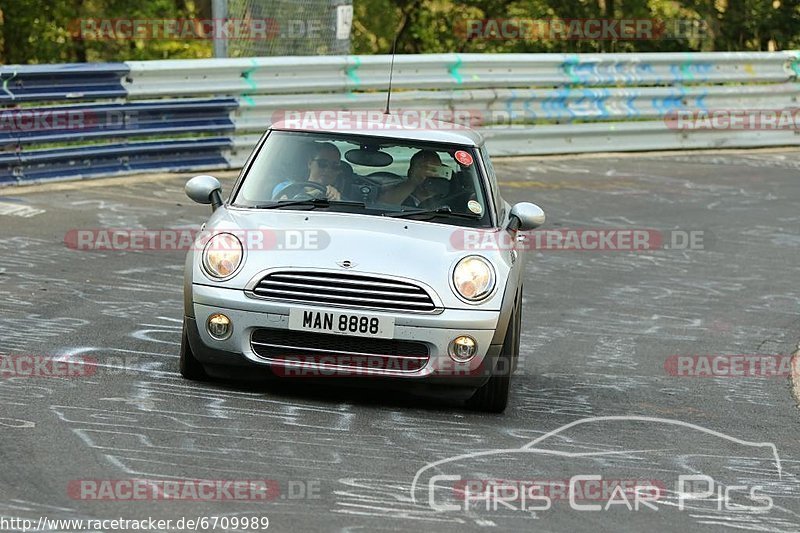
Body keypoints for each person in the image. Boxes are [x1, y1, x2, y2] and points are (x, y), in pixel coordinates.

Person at [272, 142, 344, 200]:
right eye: (322, 163)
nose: (328, 169)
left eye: (335, 166)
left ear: (339, 170)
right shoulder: (286, 188)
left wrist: (337, 203)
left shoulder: (346, 197)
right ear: (310, 163)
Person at [378, 149, 450, 207]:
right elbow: (383, 206)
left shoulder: (449, 197)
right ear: (410, 172)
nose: (428, 173)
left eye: (434, 169)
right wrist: (413, 181)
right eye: (422, 167)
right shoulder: (399, 193)